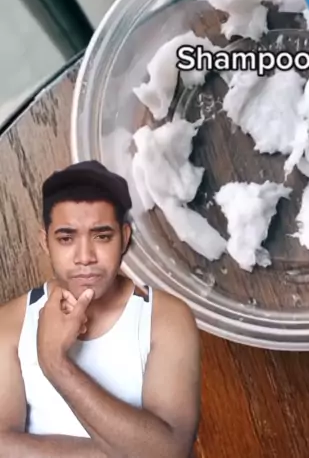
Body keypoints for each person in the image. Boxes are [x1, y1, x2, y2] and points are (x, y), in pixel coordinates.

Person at [0, 160, 201, 458]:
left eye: (102, 236)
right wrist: (126, 451)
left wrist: (54, 362)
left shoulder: (165, 318)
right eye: (66, 238)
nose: (85, 257)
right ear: (45, 242)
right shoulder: (10, 324)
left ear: (124, 238)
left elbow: (170, 452)